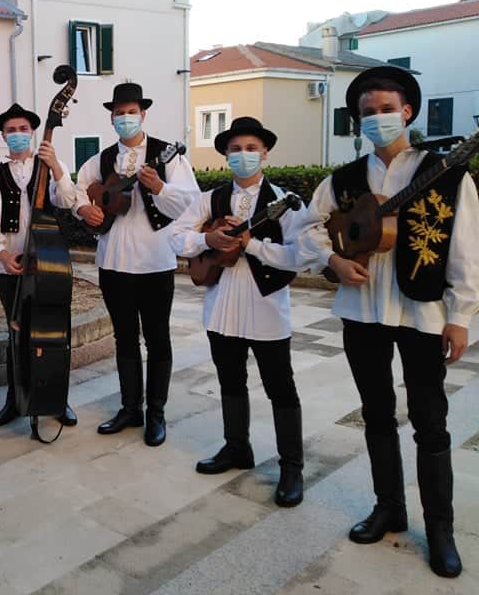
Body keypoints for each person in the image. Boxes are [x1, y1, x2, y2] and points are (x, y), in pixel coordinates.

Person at [300, 66, 479, 577]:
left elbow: (466, 248)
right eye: (368, 113)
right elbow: (308, 229)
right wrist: (334, 261)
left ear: (407, 112)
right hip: (361, 312)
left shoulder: (444, 172)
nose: (378, 118)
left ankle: (440, 530)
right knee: (377, 414)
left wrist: (461, 317)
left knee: (431, 423)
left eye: (386, 109)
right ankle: (389, 508)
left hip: (422, 311)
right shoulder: (344, 180)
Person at [169, 117, 307, 506]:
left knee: (281, 387)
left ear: (265, 153)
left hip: (267, 308)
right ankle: (237, 448)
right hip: (222, 306)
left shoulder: (285, 201)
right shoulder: (209, 199)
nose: (242, 155)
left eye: (251, 149)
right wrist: (207, 239)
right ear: (226, 155)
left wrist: (253, 246)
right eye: (235, 149)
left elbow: (301, 255)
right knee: (230, 380)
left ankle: (292, 467)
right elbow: (176, 237)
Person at [74, 82, 200, 446]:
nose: (125, 118)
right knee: (124, 337)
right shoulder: (101, 159)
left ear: (143, 114)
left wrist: (160, 188)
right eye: (119, 113)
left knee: (158, 338)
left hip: (155, 262)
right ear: (111, 118)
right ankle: (130, 408)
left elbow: (192, 203)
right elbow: (75, 189)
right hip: (113, 262)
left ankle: (156, 412)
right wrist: (83, 208)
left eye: (132, 112)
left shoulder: (167, 156)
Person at [0, 103, 79, 428]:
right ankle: (15, 399)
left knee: (55, 333)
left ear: (33, 132)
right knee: (17, 334)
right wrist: (2, 254)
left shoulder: (49, 165)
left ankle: (57, 399)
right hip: (11, 266)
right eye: (11, 130)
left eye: (23, 129)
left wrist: (57, 168)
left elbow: (67, 200)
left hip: (48, 264)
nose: (18, 135)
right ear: (3, 136)